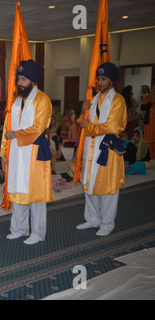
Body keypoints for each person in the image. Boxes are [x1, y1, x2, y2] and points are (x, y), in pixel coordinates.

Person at [1, 59, 54, 245]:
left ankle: (37, 233)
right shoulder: (16, 100)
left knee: (35, 195)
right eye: (18, 79)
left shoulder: (43, 100)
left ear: (32, 81)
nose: (19, 82)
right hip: (15, 153)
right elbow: (6, 128)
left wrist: (15, 134)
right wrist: (3, 153)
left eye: (23, 79)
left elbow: (39, 128)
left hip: (34, 154)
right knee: (17, 190)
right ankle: (19, 229)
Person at [76, 62, 127, 236]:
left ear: (111, 80)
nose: (100, 82)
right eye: (99, 78)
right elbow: (83, 121)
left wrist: (86, 125)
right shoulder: (95, 98)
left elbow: (111, 127)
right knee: (89, 185)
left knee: (107, 188)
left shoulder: (118, 101)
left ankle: (107, 223)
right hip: (91, 148)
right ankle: (92, 219)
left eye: (104, 79)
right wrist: (83, 111)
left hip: (107, 149)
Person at [140, 83, 155, 159]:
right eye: (153, 87)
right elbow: (142, 107)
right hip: (149, 123)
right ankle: (150, 157)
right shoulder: (148, 97)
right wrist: (151, 102)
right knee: (148, 141)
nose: (154, 89)